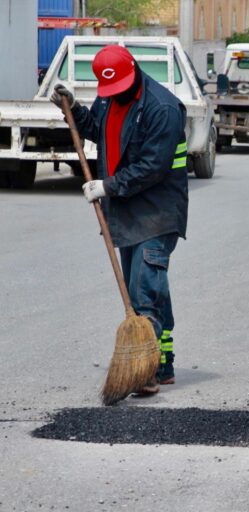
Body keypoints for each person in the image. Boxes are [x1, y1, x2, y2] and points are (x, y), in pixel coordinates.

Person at [51, 45, 188, 394]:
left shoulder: (162, 109)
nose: (115, 95)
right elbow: (99, 128)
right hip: (126, 212)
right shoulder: (111, 97)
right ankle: (163, 363)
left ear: (134, 72)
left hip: (158, 211)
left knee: (143, 293)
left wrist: (107, 186)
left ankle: (143, 370)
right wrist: (76, 111)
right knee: (147, 290)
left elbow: (153, 168)